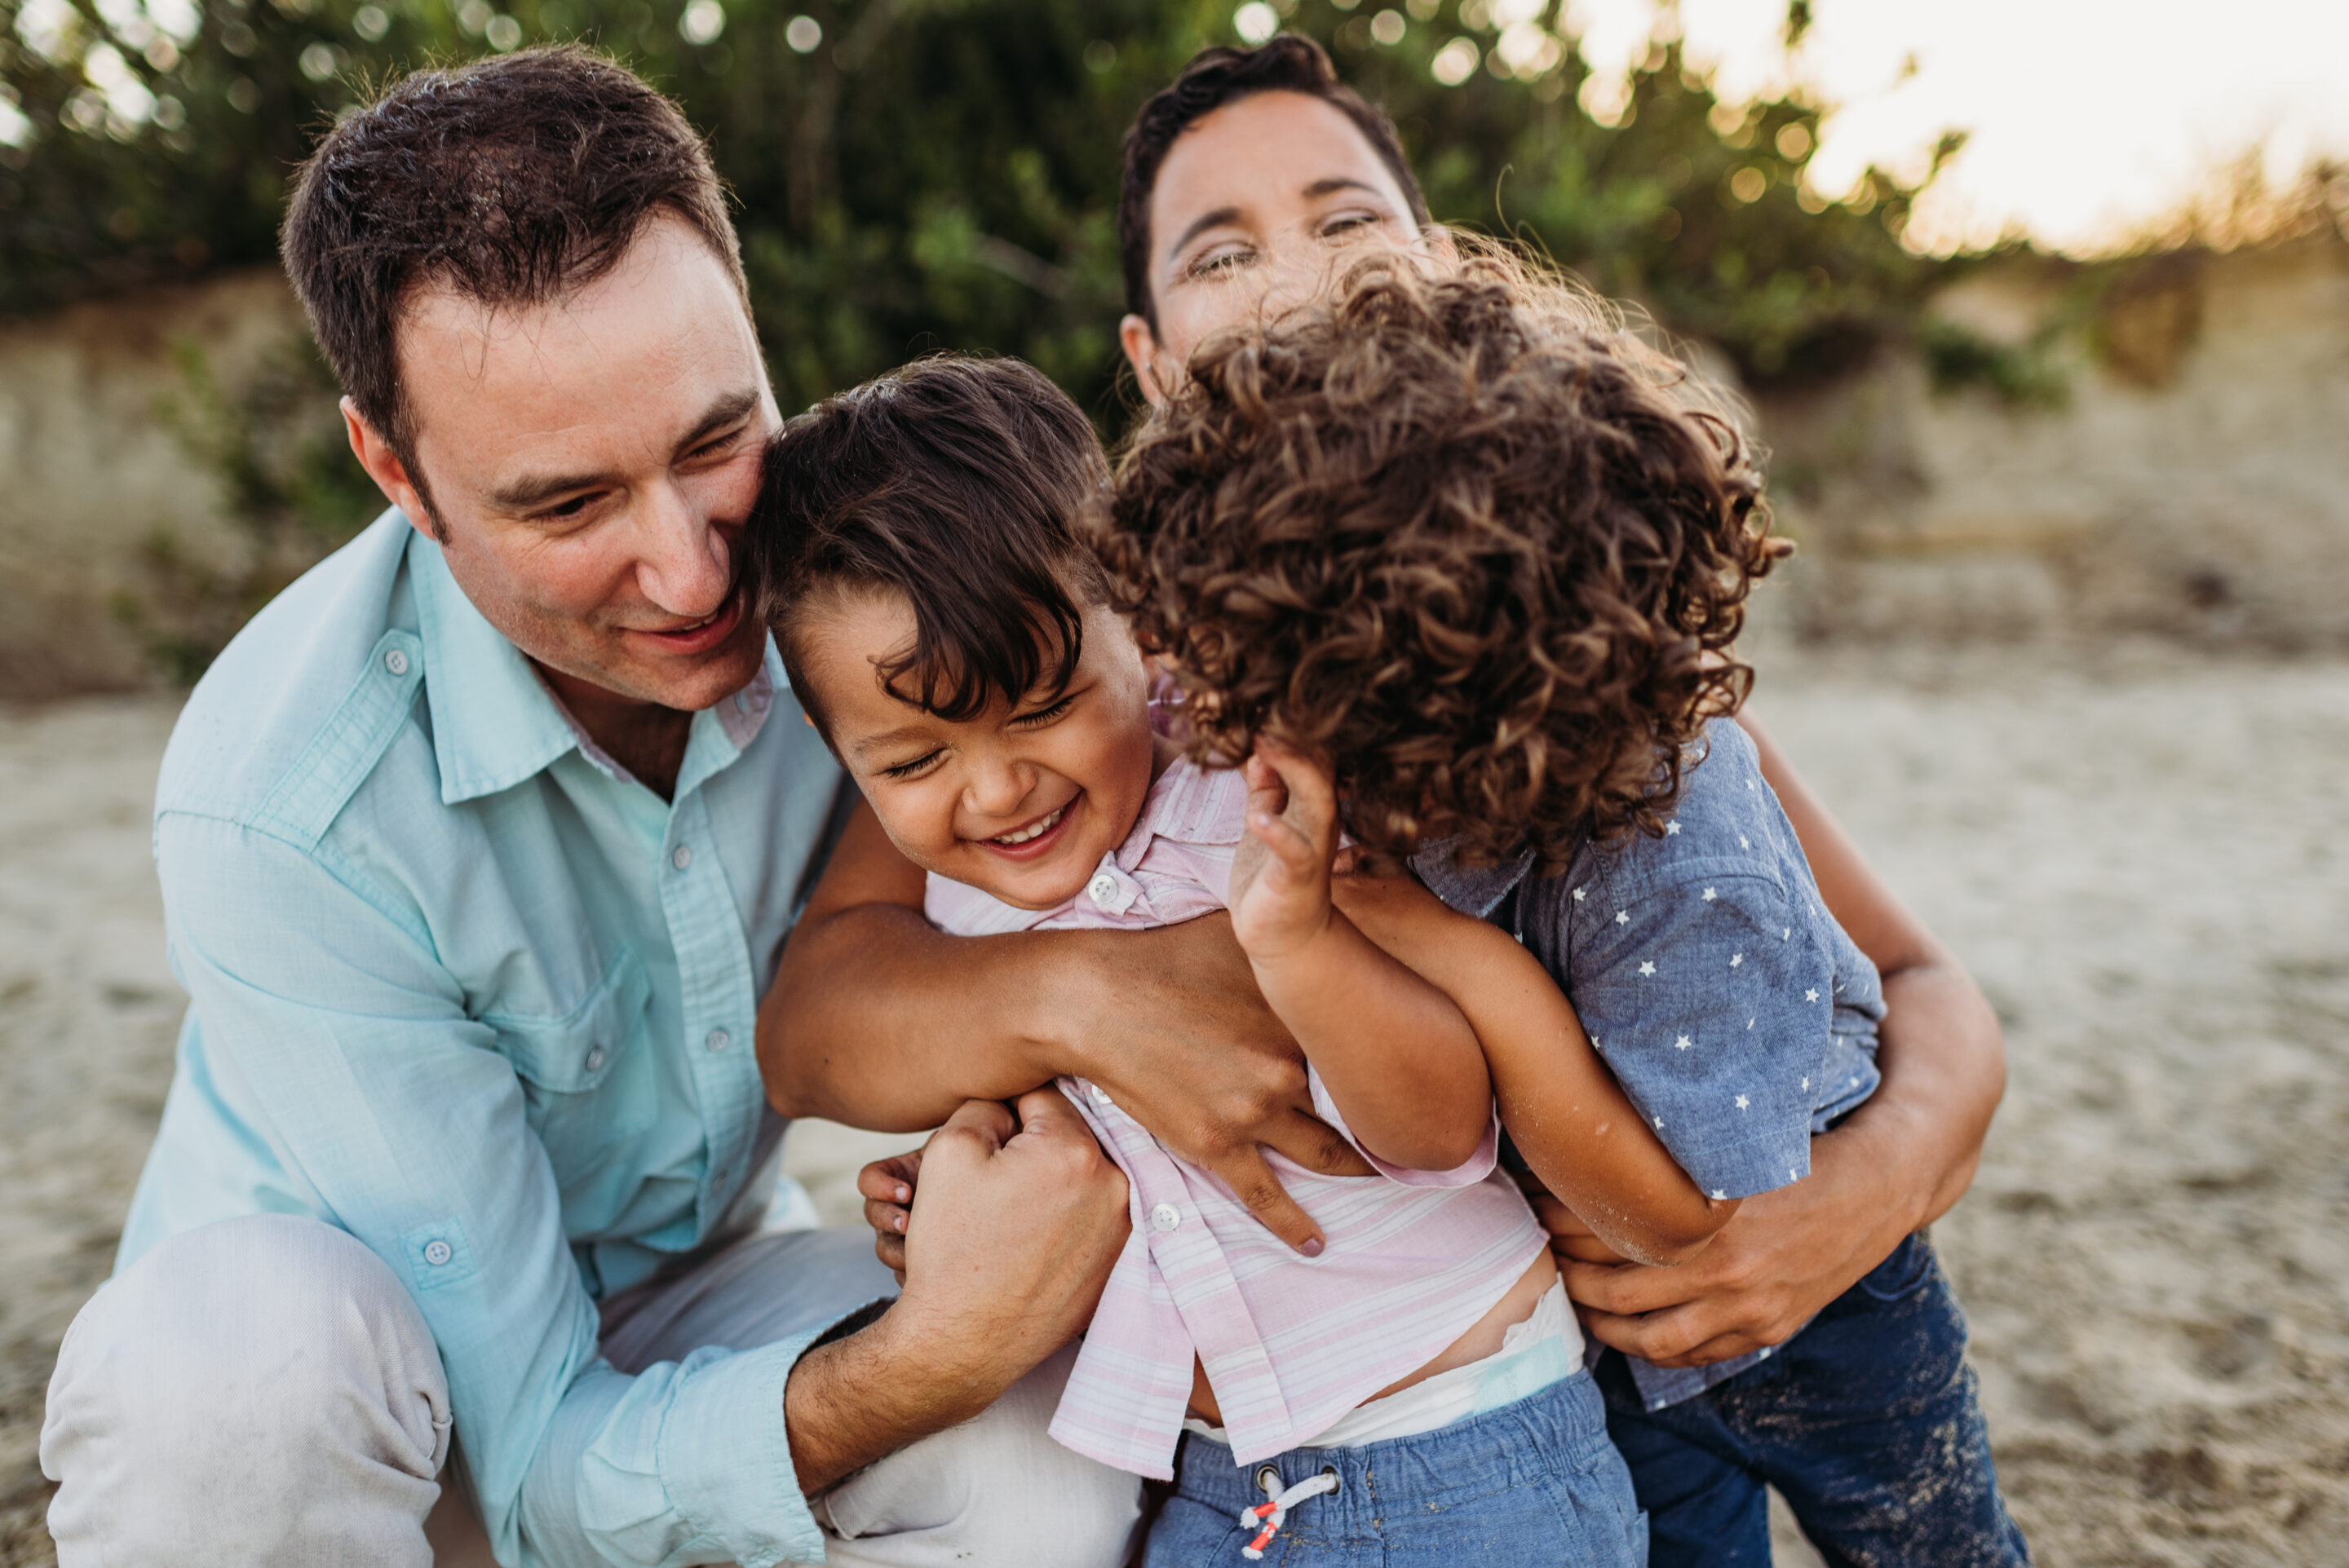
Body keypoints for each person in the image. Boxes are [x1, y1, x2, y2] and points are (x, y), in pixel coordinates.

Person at [850, 32, 2013, 1566]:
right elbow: (885, 985)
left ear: (1443, 274)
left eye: (1345, 222)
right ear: (1149, 363)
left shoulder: (1578, 630)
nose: (1299, 280)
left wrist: (1855, 1201)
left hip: (1770, 1268)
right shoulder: (1128, 697)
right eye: (1223, 251)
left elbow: (1923, 983)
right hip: (1544, 1364)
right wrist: (1003, 1127)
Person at [38, 47, 1146, 1568]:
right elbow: (538, 1451)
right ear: (396, 471)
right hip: (354, 1405)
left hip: (690, 1288)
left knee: (1051, 1455)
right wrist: (925, 1357)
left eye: (714, 444)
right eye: (566, 505)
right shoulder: (277, 808)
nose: (696, 579)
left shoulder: (873, 603)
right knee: (229, 1398)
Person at [1099, 244, 2030, 1567]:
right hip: (1598, 1338)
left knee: (1937, 1545)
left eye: (1262, 695)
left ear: (1422, 696)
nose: (1222, 732)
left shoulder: (1686, 864)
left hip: (1818, 1312)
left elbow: (1677, 1222)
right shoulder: (1413, 764)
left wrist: (1452, 957)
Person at [749, 353, 1745, 1563]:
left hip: (1462, 1454)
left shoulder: (1263, 801)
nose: (996, 790)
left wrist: (1303, 945)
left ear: (1145, 620)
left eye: (1044, 704)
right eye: (911, 763)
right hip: (1222, 1486)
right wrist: (957, 1194)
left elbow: (1441, 1128)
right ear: (830, 745)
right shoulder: (954, 910)